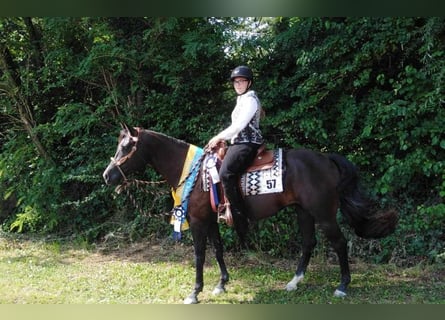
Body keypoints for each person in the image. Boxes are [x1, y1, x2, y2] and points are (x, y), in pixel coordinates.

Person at [207, 65, 264, 239]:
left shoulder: (250, 99)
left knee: (225, 174)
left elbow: (238, 126)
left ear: (249, 82)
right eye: (236, 82)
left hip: (247, 143)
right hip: (238, 142)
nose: (238, 84)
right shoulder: (242, 99)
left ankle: (241, 217)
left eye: (242, 81)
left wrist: (217, 137)